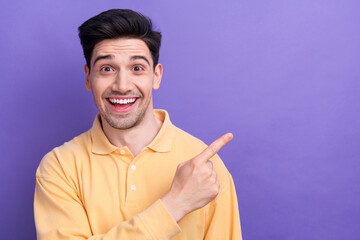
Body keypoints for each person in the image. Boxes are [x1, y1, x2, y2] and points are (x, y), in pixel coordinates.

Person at [34, 9, 242, 240]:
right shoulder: (59, 167)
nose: (122, 85)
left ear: (156, 76)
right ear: (87, 77)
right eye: (107, 69)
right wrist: (174, 205)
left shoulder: (204, 168)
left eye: (137, 68)